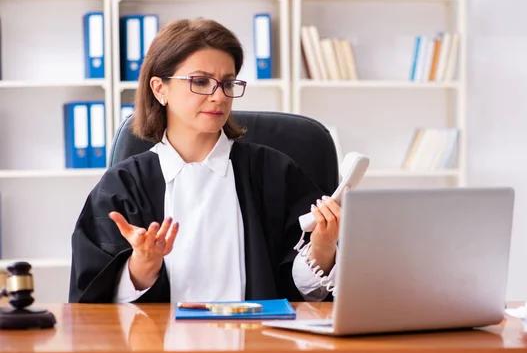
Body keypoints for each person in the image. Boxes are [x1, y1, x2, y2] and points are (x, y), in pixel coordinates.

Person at [69, 18, 340, 304]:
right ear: (160, 89)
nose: (219, 96)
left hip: (256, 343)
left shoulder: (275, 173)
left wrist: (322, 248)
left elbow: (302, 296)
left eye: (227, 83)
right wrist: (143, 266)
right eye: (200, 82)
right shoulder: (122, 186)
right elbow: (94, 302)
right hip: (157, 345)